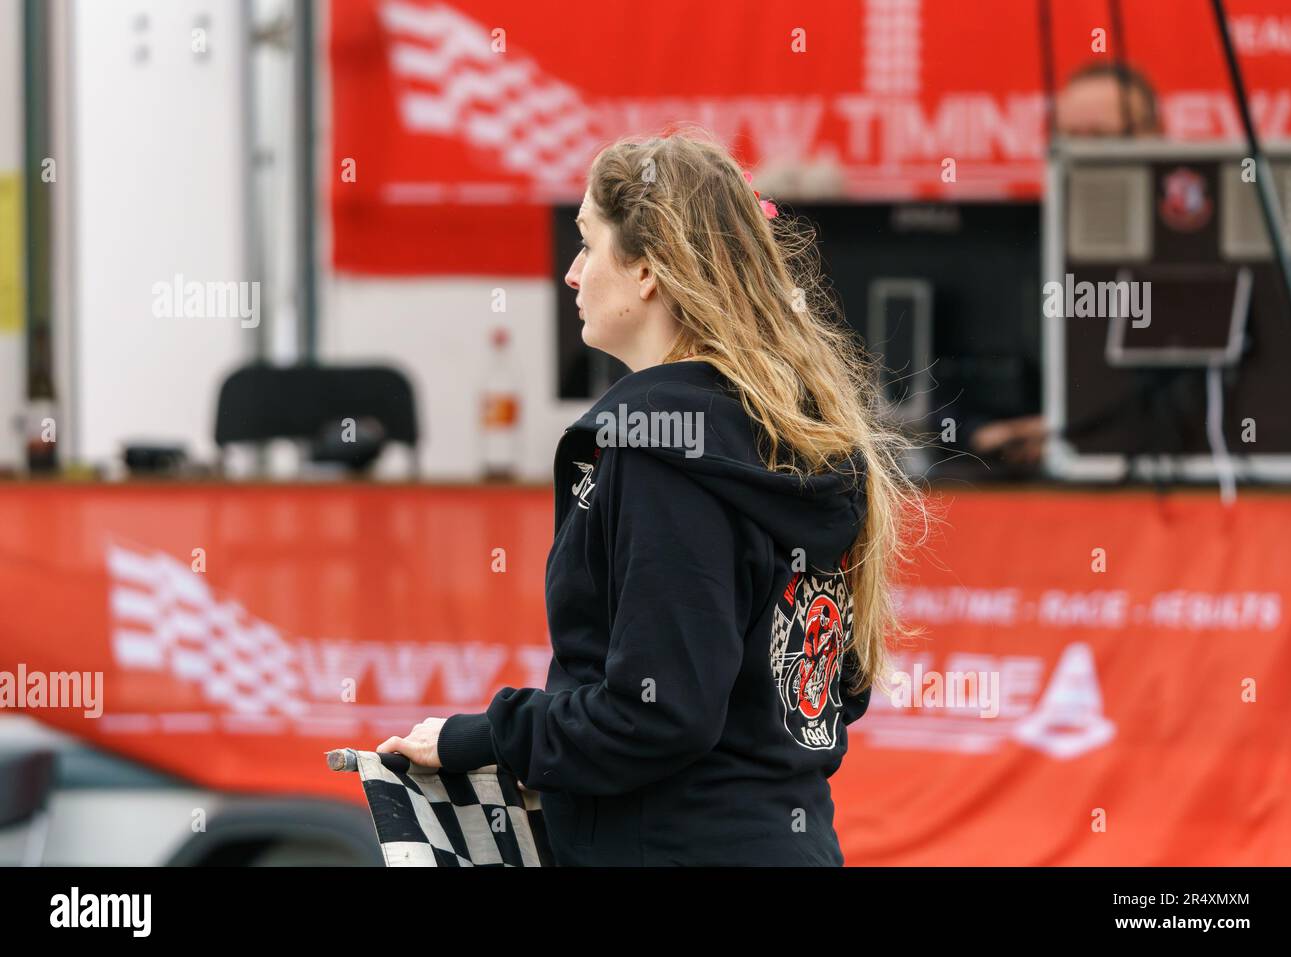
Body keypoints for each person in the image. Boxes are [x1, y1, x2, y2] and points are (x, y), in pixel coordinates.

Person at [376, 129, 920, 866]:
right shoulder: (809, 432)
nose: (571, 274)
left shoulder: (657, 443)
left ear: (648, 271)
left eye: (588, 244)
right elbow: (829, 695)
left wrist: (482, 735)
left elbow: (656, 714)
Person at [966, 62, 1161, 467]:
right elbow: (973, 396)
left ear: (1153, 136)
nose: (1082, 154)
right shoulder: (1022, 249)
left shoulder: (1193, 243)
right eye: (1071, 138)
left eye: (1103, 137)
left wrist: (1074, 426)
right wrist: (995, 434)